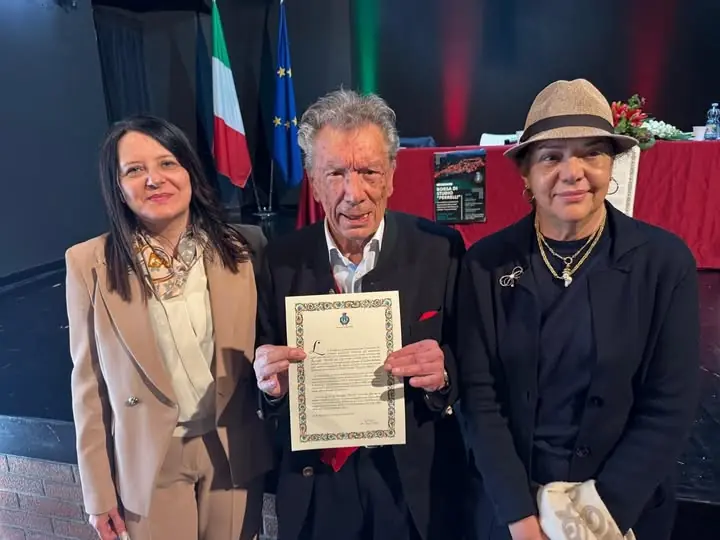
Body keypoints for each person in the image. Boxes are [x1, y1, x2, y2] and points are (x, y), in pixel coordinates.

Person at [457, 78, 700, 540]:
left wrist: (591, 521)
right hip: (513, 513)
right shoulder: (485, 265)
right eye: (551, 157)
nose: (573, 172)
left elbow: (670, 406)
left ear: (612, 165)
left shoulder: (665, 263)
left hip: (622, 513)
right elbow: (478, 399)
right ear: (525, 173)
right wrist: (521, 517)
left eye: (592, 154)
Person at [253, 89, 466, 540]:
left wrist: (445, 371)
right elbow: (265, 381)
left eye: (369, 171)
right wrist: (270, 388)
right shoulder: (279, 260)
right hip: (318, 485)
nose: (354, 194)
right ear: (313, 181)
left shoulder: (440, 249)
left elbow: (472, 362)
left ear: (391, 176)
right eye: (335, 173)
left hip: (411, 485)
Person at [65, 115, 273, 540]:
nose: (154, 180)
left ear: (189, 171)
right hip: (150, 459)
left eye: (167, 163)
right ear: (117, 187)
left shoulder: (244, 247)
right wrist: (98, 493)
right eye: (134, 170)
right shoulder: (89, 263)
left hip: (230, 446)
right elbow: (88, 386)